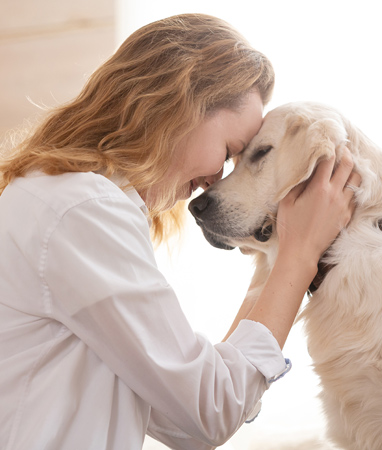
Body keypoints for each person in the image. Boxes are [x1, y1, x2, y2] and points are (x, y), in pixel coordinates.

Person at [0, 13, 360, 450]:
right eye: (228, 152)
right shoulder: (83, 210)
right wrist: (299, 256)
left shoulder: (56, 198)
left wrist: (275, 255)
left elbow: (179, 420)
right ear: (180, 105)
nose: (215, 179)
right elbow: (207, 414)